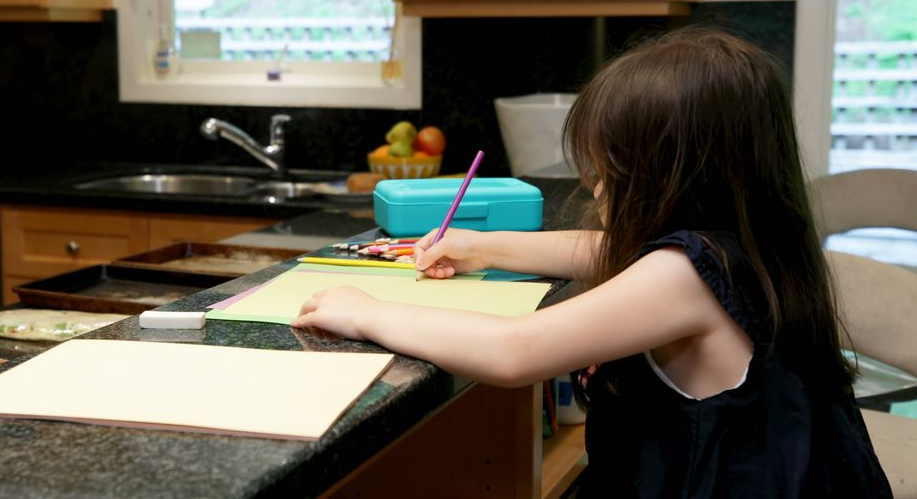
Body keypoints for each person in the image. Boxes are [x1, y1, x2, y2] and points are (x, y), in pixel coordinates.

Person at [292, 28, 891, 497]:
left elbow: (515, 352)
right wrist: (484, 247)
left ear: (676, 177)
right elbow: (607, 252)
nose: (598, 188)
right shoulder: (745, 241)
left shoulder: (684, 275)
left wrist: (368, 312)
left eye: (611, 173)